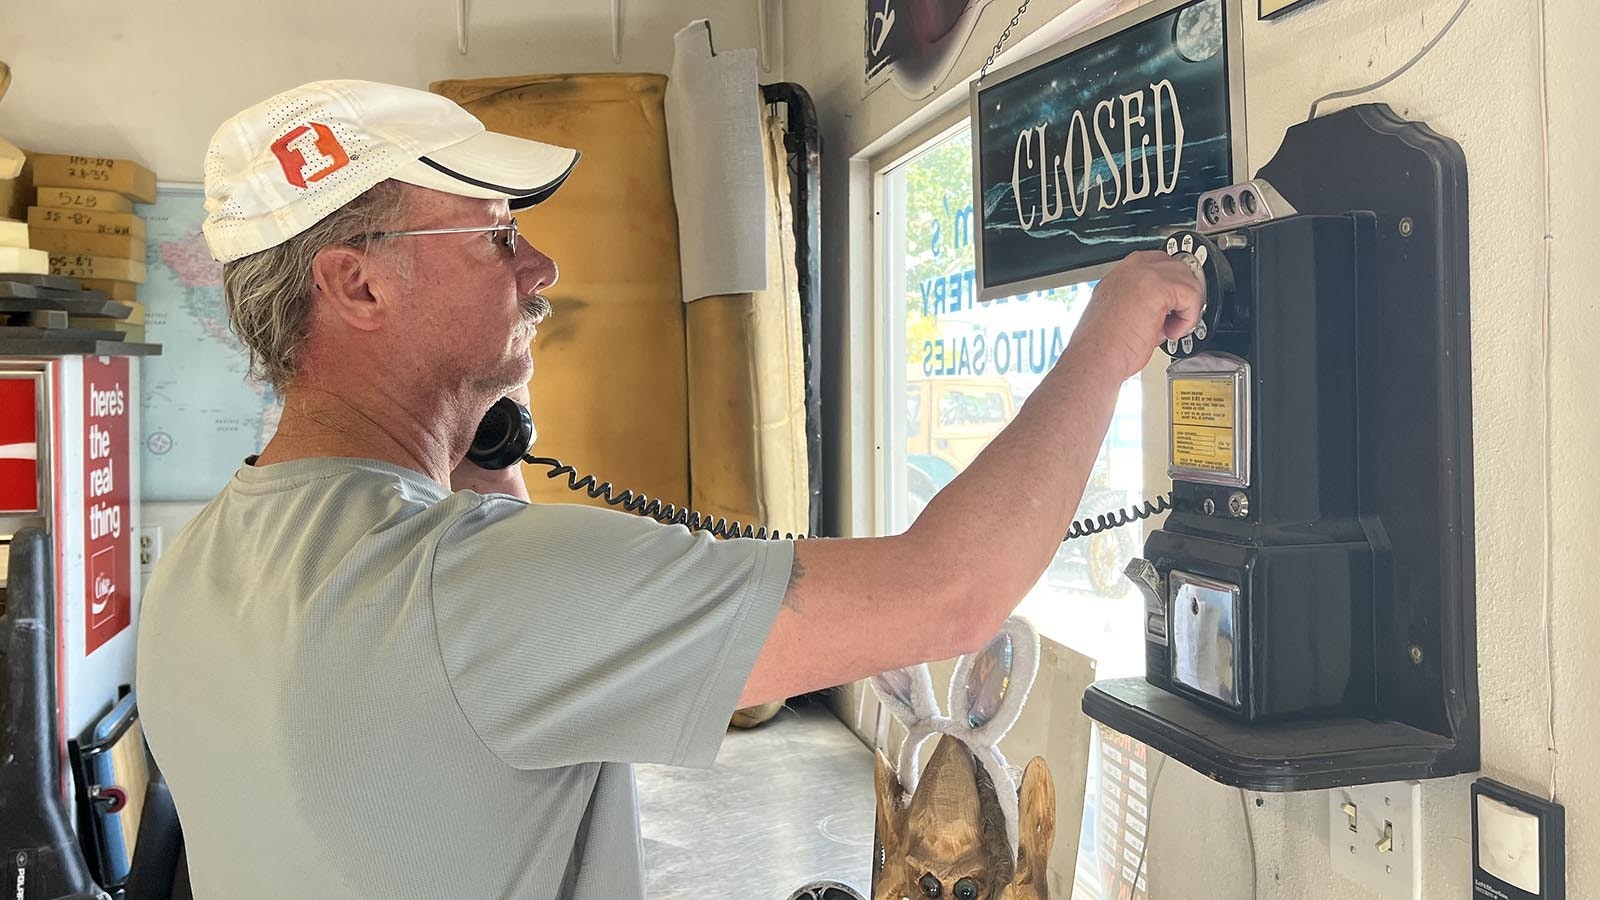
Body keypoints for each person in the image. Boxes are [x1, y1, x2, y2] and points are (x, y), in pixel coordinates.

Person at [136, 79, 1203, 900]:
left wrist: (481, 443)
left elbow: (451, 735)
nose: (538, 266)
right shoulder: (459, 586)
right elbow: (952, 594)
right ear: (358, 283)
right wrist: (1106, 338)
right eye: (496, 233)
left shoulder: (198, 566)